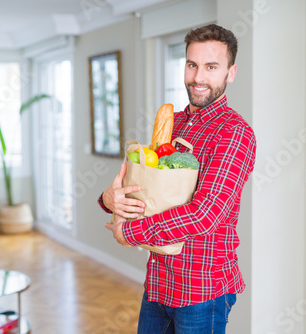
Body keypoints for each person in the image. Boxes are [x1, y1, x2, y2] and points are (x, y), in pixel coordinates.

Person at [98, 24, 256, 333]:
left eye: (211, 67)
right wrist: (109, 200)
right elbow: (149, 191)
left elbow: (204, 214)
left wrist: (128, 233)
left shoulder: (234, 133)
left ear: (230, 72)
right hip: (159, 280)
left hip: (202, 290)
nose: (198, 77)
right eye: (192, 65)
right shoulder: (173, 123)